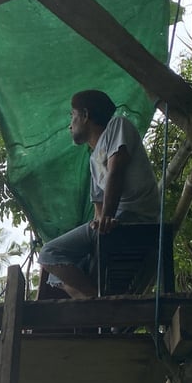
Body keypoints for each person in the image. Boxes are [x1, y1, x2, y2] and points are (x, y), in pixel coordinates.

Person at [39, 89, 160, 299]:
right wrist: (100, 220)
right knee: (54, 276)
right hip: (112, 222)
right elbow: (98, 209)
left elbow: (116, 170)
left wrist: (107, 217)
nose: (70, 125)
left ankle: (100, 301)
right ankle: (99, 301)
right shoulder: (94, 159)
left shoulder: (117, 126)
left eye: (72, 116)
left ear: (85, 115)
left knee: (49, 253)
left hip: (135, 216)